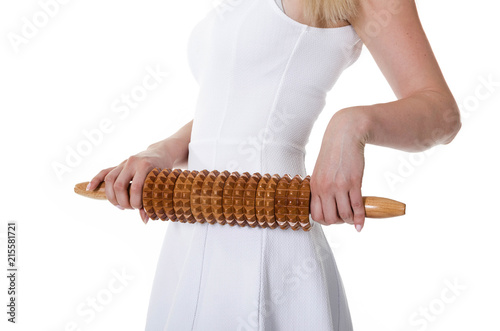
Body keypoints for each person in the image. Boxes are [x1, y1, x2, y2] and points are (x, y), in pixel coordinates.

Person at [87, 0, 461, 329]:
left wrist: (350, 125)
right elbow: (235, 104)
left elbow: (442, 114)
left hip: (269, 243)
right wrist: (163, 150)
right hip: (188, 237)